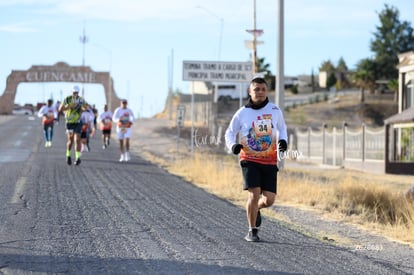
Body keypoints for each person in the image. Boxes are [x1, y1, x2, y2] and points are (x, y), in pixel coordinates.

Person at [224, 76, 288, 242]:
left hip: (270, 160)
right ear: (250, 92)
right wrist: (233, 146)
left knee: (268, 200)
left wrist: (283, 141)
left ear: (266, 91)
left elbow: (282, 128)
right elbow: (229, 132)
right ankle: (252, 230)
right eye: (256, 89)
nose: (260, 92)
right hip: (249, 159)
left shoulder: (275, 110)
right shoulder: (242, 113)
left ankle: (256, 208)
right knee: (254, 194)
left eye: (263, 89)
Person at [58, 85, 88, 166]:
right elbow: (60, 109)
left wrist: (83, 109)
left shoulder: (81, 99)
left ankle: (78, 158)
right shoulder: (67, 99)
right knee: (70, 140)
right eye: (74, 92)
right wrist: (69, 107)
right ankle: (68, 155)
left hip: (77, 122)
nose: (75, 94)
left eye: (77, 93)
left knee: (77, 139)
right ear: (71, 92)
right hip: (69, 122)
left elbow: (85, 107)